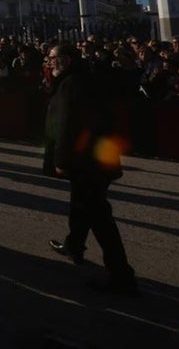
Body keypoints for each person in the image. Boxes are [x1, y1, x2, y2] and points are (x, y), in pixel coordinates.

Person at [43, 42, 137, 295]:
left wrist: (60, 160)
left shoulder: (71, 84)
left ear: (66, 60)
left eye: (52, 57)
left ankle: (121, 275)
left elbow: (66, 126)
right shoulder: (87, 78)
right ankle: (74, 245)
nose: (49, 62)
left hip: (85, 161)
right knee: (81, 204)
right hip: (96, 158)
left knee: (99, 216)